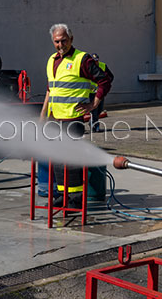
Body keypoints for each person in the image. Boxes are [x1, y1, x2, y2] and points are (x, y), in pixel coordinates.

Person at [38, 23, 112, 205]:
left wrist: (94, 104)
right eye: (56, 41)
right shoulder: (52, 60)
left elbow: (105, 80)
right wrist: (43, 114)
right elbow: (50, 89)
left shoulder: (82, 59)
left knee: (70, 157)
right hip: (55, 117)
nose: (60, 45)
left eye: (64, 40)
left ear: (71, 39)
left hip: (72, 117)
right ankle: (63, 194)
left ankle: (76, 196)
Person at [87, 53, 114, 132]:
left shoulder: (103, 66)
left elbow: (111, 76)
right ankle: (95, 125)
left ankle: (92, 122)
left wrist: (105, 85)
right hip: (91, 92)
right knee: (94, 110)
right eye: (94, 61)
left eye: (96, 61)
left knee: (100, 109)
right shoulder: (88, 67)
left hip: (100, 92)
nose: (95, 62)